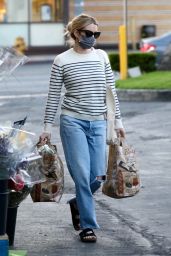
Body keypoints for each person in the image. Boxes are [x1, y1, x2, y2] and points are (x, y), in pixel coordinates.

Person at [40, 13, 125, 243]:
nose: (93, 38)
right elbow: (53, 96)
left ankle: (78, 202)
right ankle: (87, 226)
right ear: (76, 33)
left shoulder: (102, 57)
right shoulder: (61, 60)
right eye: (89, 33)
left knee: (98, 175)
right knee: (80, 177)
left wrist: (118, 121)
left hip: (98, 122)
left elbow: (111, 92)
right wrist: (47, 127)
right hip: (72, 122)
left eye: (96, 34)